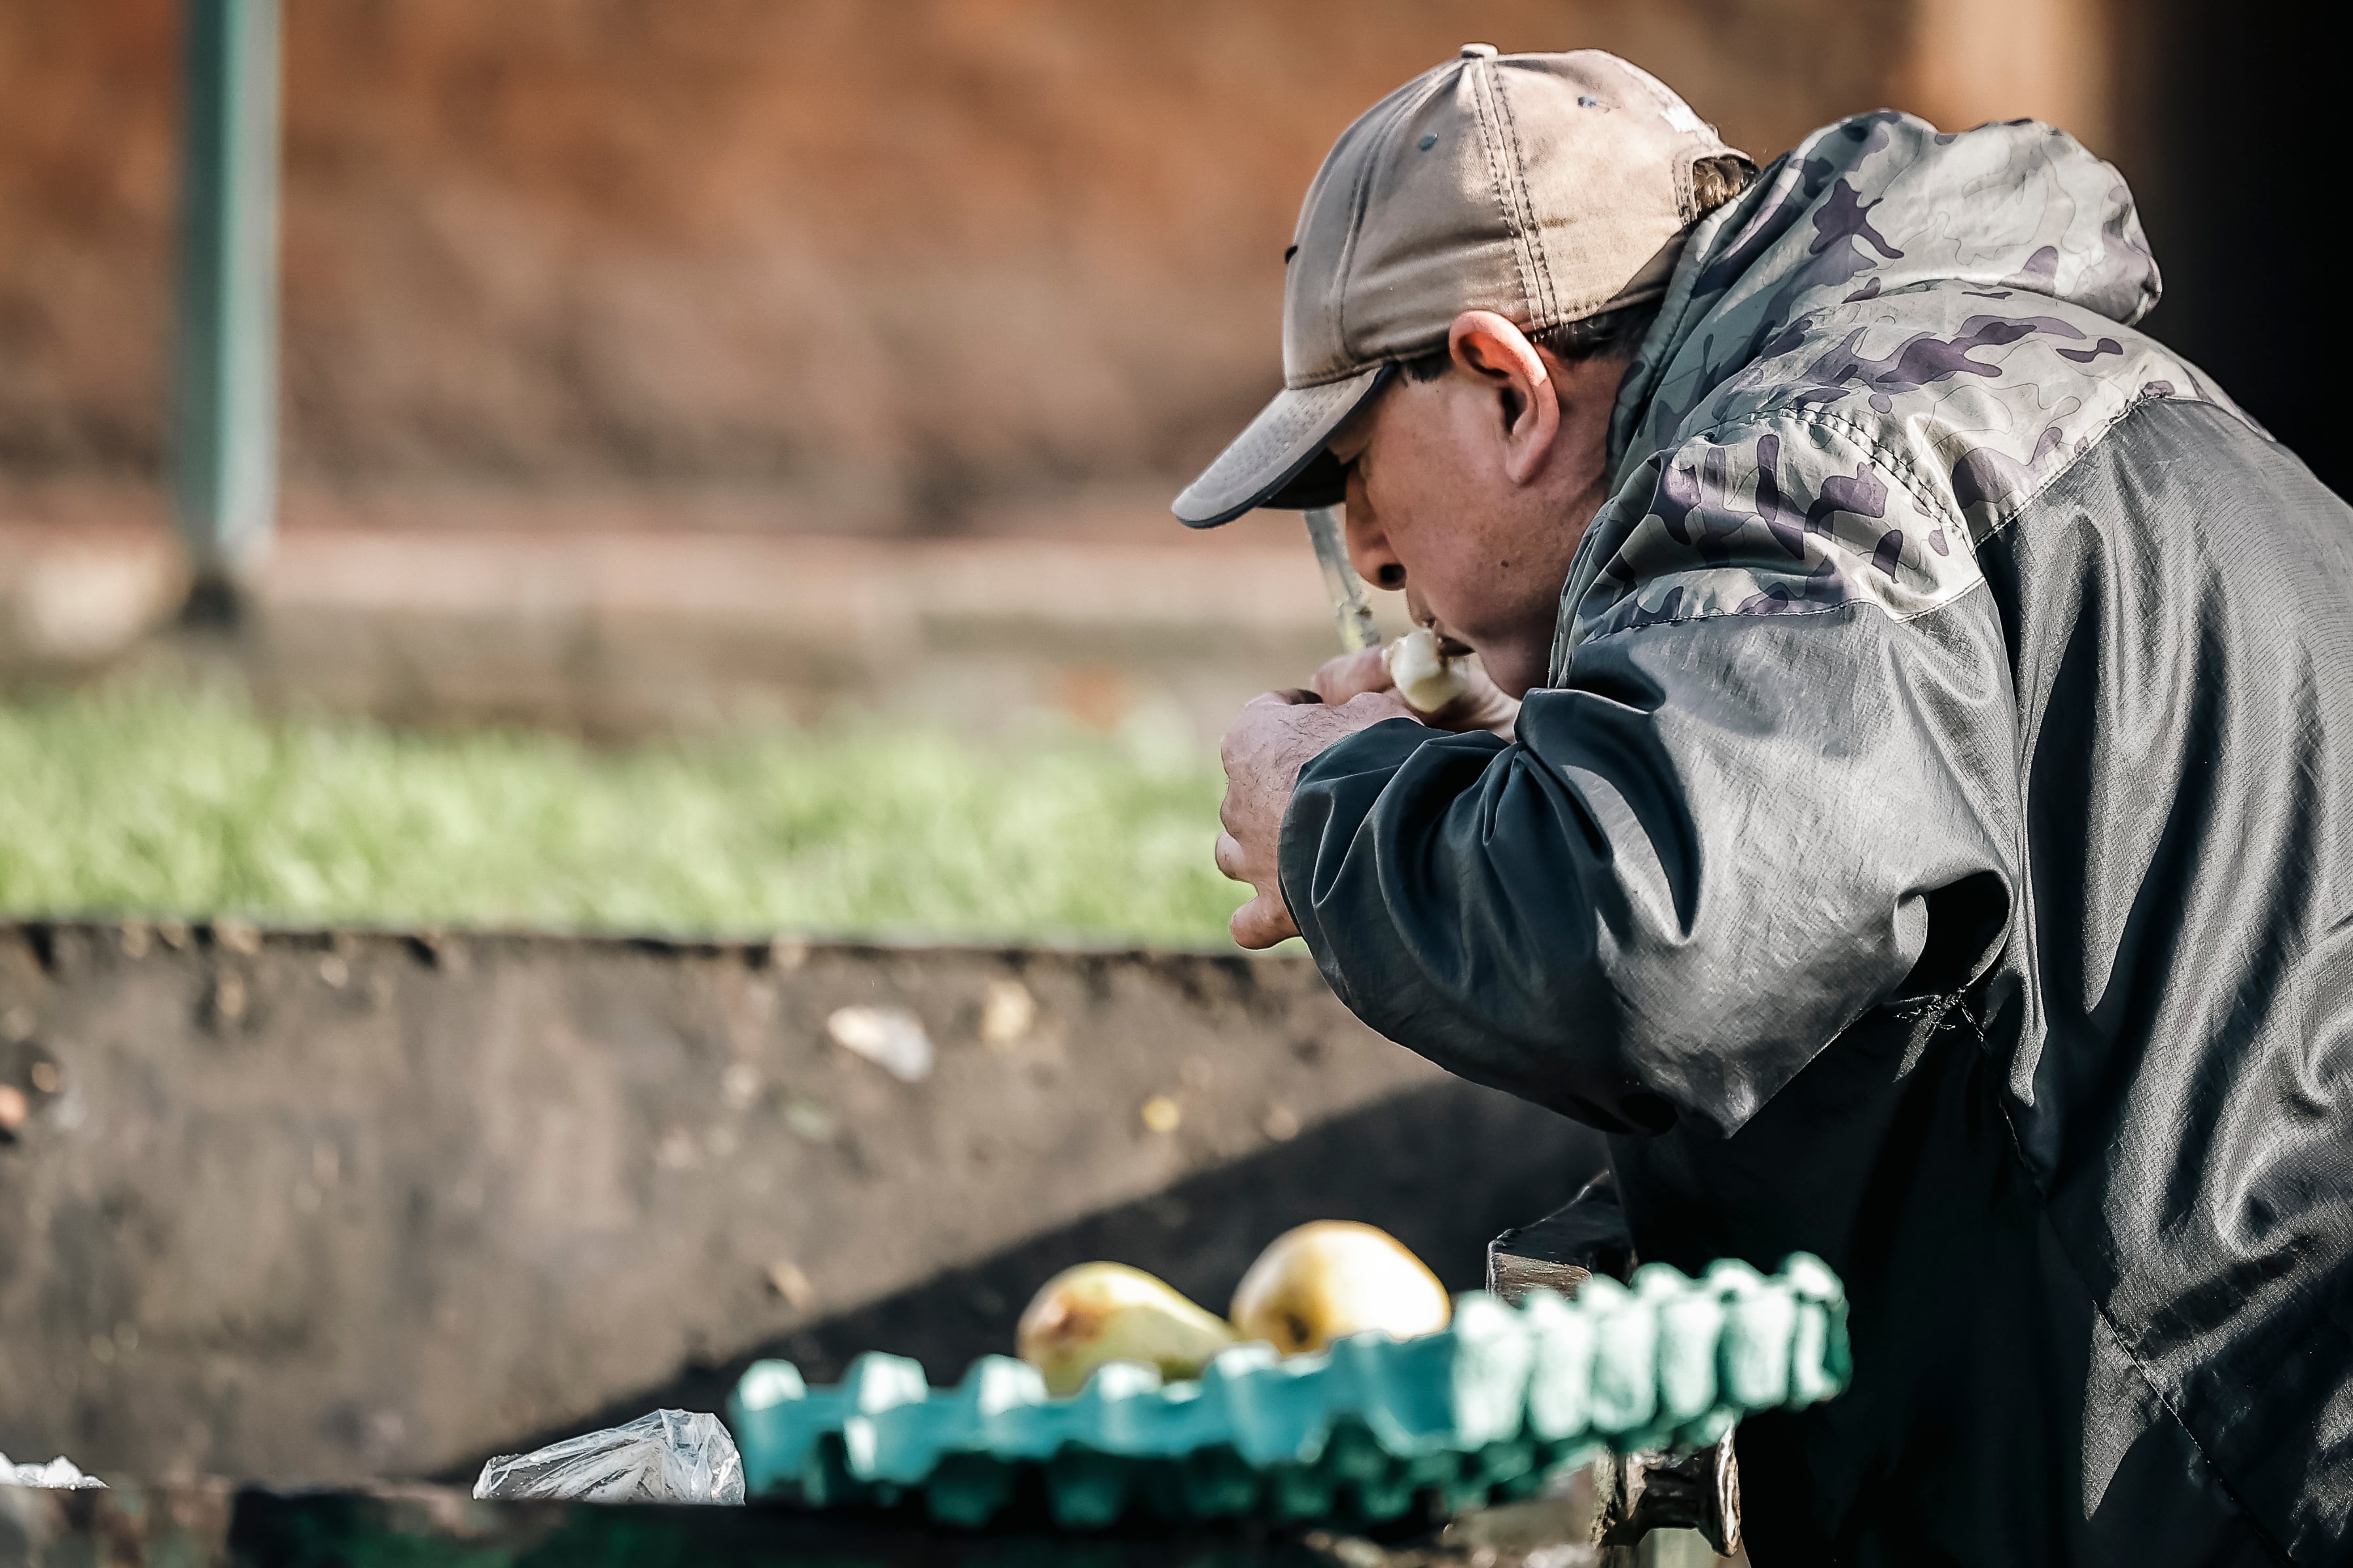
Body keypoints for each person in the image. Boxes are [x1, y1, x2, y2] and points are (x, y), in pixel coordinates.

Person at [1177, 44, 2352, 1567]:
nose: (1375, 558)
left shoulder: (1807, 461)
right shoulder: (2031, 400)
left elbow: (1635, 945)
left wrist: (1328, 798)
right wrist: (1549, 747)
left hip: (2232, 1483)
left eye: (1355, 476)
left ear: (1507, 385)